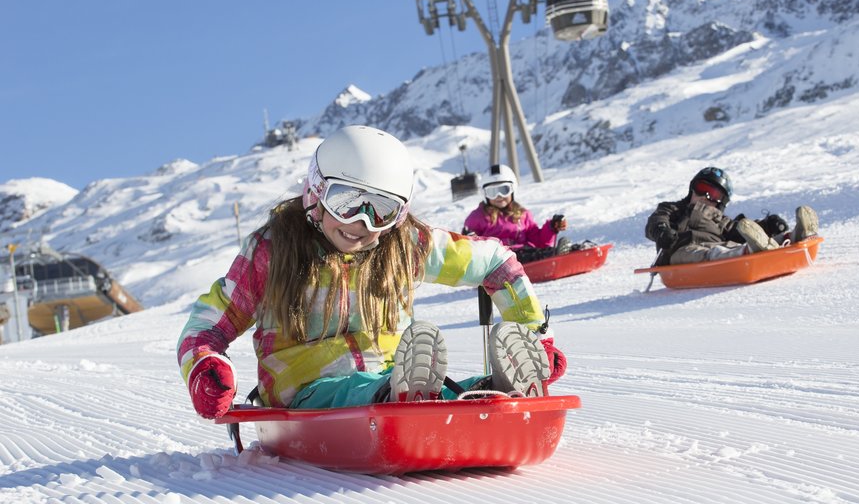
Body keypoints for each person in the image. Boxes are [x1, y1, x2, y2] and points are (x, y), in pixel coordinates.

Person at [177, 126, 567, 420]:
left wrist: (535, 332)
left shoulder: (403, 243)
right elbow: (207, 326)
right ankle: (403, 396)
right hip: (307, 393)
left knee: (436, 393)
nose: (362, 223)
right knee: (356, 390)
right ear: (315, 191)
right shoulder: (273, 251)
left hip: (398, 376)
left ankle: (495, 393)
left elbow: (496, 261)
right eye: (346, 202)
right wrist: (205, 369)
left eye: (381, 210)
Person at [645, 166, 819, 266]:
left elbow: (739, 230)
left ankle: (795, 236)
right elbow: (657, 220)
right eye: (703, 190)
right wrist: (662, 231)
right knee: (710, 252)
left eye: (714, 195)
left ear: (721, 203)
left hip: (721, 246)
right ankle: (749, 251)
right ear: (692, 189)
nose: (706, 198)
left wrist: (767, 226)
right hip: (680, 251)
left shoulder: (720, 219)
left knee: (735, 241)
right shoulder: (673, 209)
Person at [463, 164, 572, 262]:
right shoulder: (478, 217)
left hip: (524, 252)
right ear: (485, 195)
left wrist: (551, 228)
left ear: (513, 189)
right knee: (524, 256)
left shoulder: (522, 215)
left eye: (504, 190)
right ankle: (553, 256)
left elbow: (538, 240)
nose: (499, 196)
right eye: (493, 192)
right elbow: (471, 247)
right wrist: (469, 238)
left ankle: (572, 250)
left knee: (537, 251)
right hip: (496, 259)